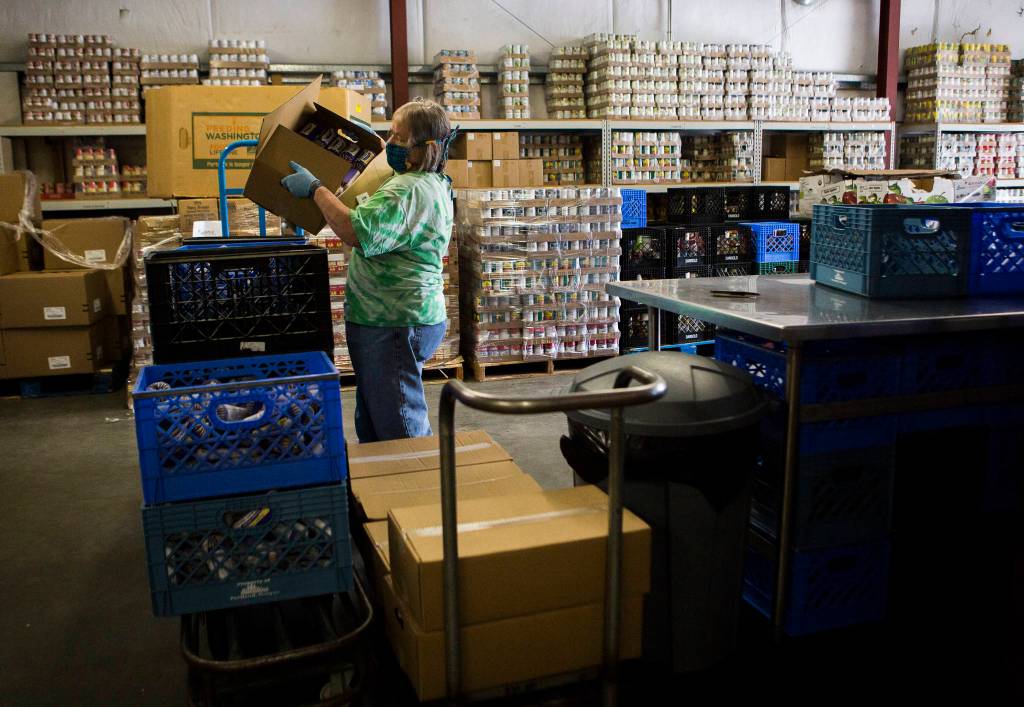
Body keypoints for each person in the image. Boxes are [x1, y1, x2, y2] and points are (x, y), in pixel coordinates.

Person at [280, 99, 457, 443]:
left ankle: (412, 484)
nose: (389, 144)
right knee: (379, 413)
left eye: (399, 138)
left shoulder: (408, 190)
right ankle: (381, 487)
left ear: (427, 148)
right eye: (390, 134)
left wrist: (317, 188)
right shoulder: (428, 180)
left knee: (399, 424)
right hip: (397, 315)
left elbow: (354, 231)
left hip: (394, 320)